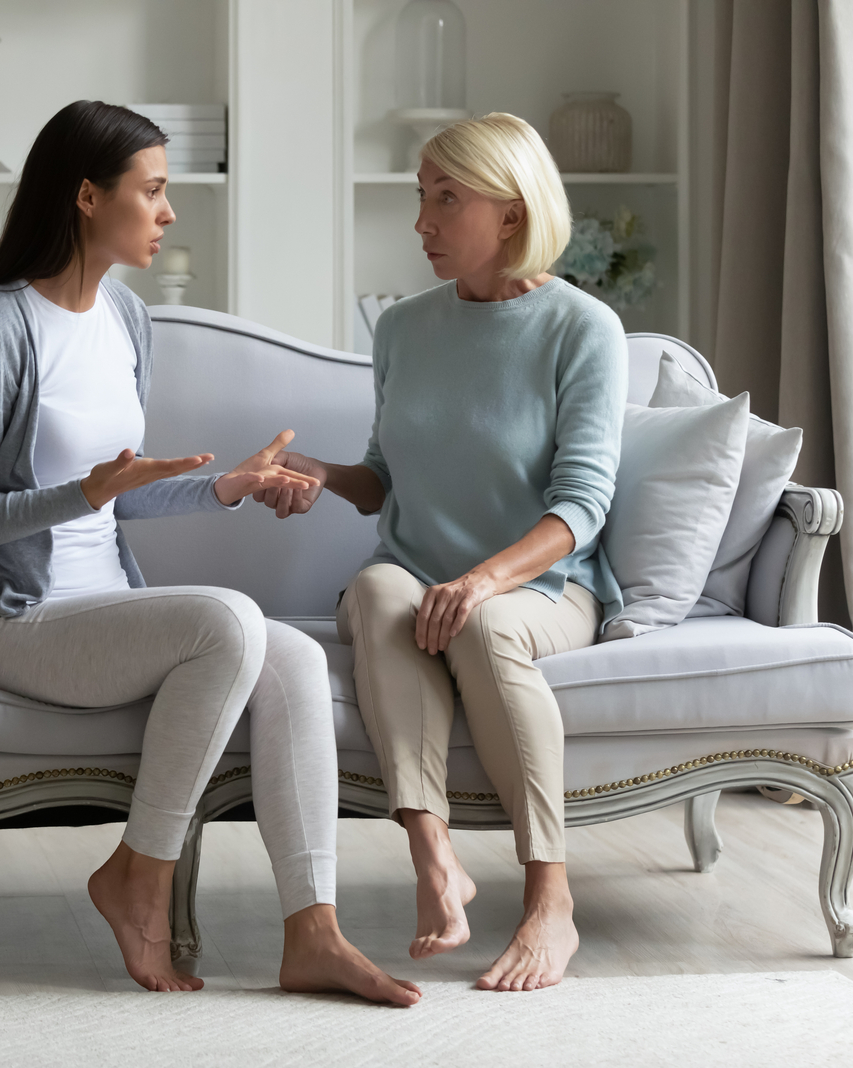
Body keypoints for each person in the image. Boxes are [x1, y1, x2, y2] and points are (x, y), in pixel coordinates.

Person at [0, 99, 419, 1004]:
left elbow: (120, 496)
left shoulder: (126, 318)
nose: (168, 211)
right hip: (8, 618)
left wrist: (224, 487)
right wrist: (87, 493)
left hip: (103, 605)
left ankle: (313, 929)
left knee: (299, 658)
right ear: (85, 195)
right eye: (152, 190)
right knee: (228, 620)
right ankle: (140, 872)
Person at [253, 113, 626, 992]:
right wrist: (317, 473)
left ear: (511, 210)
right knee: (381, 593)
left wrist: (481, 580)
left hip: (542, 583)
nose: (422, 221)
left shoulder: (584, 329)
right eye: (420, 197)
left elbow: (582, 508)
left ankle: (550, 900)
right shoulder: (404, 329)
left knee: (480, 627)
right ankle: (434, 856)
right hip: (420, 571)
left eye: (446, 199)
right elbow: (385, 480)